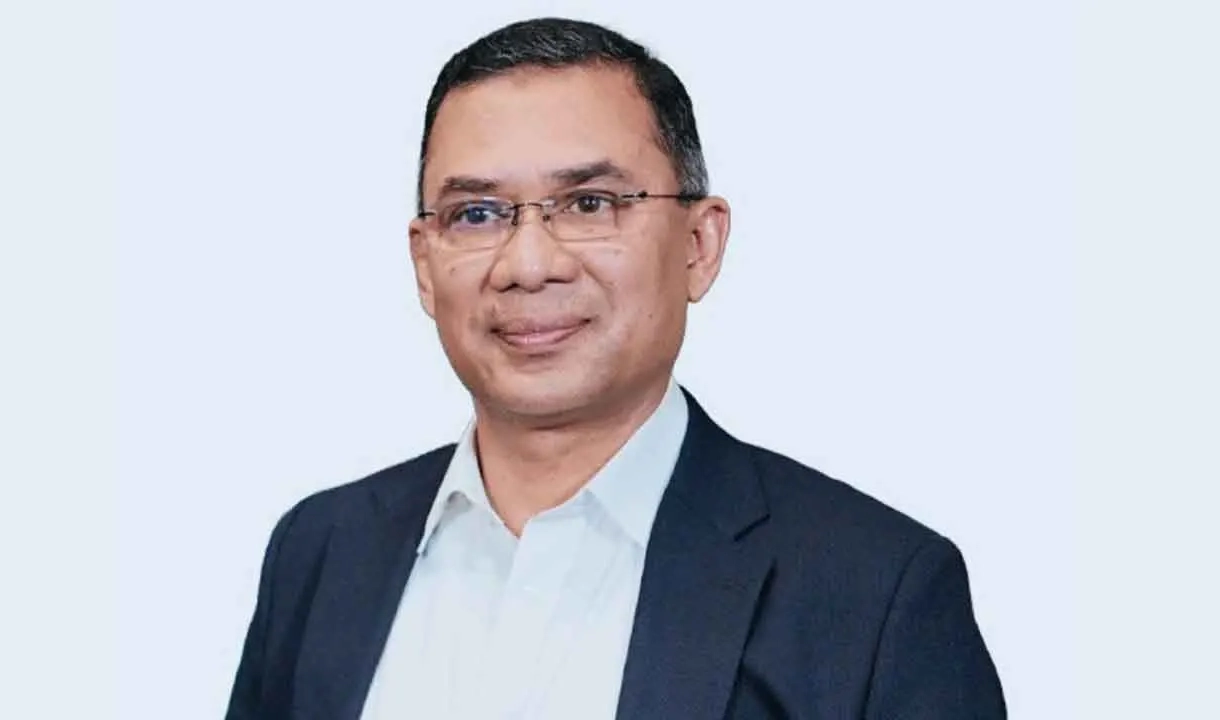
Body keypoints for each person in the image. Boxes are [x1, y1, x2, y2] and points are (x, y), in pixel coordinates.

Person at [224, 16, 1005, 720]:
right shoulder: (321, 553)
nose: (529, 265)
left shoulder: (874, 595)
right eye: (477, 214)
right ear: (425, 265)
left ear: (699, 244)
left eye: (589, 204)